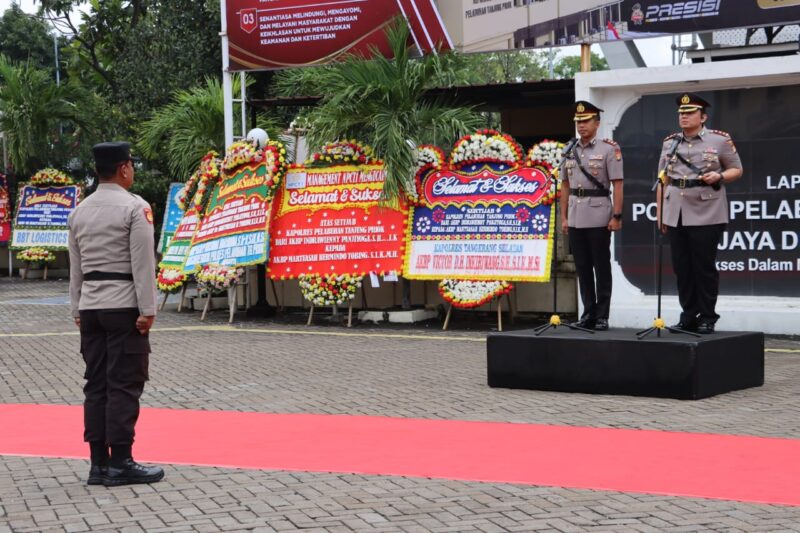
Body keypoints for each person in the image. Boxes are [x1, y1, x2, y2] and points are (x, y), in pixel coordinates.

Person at [68, 141, 164, 486]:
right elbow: (142, 264)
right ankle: (121, 460)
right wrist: (148, 309)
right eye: (132, 166)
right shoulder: (135, 208)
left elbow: (75, 268)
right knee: (124, 384)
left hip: (91, 307)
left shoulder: (79, 211)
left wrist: (76, 307)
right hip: (123, 306)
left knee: (96, 385)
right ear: (124, 168)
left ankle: (98, 464)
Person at [656, 93, 743, 334]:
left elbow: (737, 169)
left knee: (703, 266)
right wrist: (661, 213)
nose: (683, 117)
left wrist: (720, 176)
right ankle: (688, 315)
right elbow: (662, 180)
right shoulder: (670, 142)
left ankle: (707, 316)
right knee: (682, 267)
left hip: (707, 209)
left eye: (689, 113)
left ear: (703, 117)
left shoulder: (719, 140)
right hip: (676, 211)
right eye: (681, 114)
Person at [560, 101, 624, 331]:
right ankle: (587, 313)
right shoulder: (569, 150)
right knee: (583, 267)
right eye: (578, 121)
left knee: (601, 266)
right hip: (576, 216)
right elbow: (565, 186)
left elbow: (617, 185)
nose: (581, 125)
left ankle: (602, 315)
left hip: (599, 213)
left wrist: (617, 215)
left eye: (586, 121)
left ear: (597, 123)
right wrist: (565, 217)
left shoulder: (609, 149)